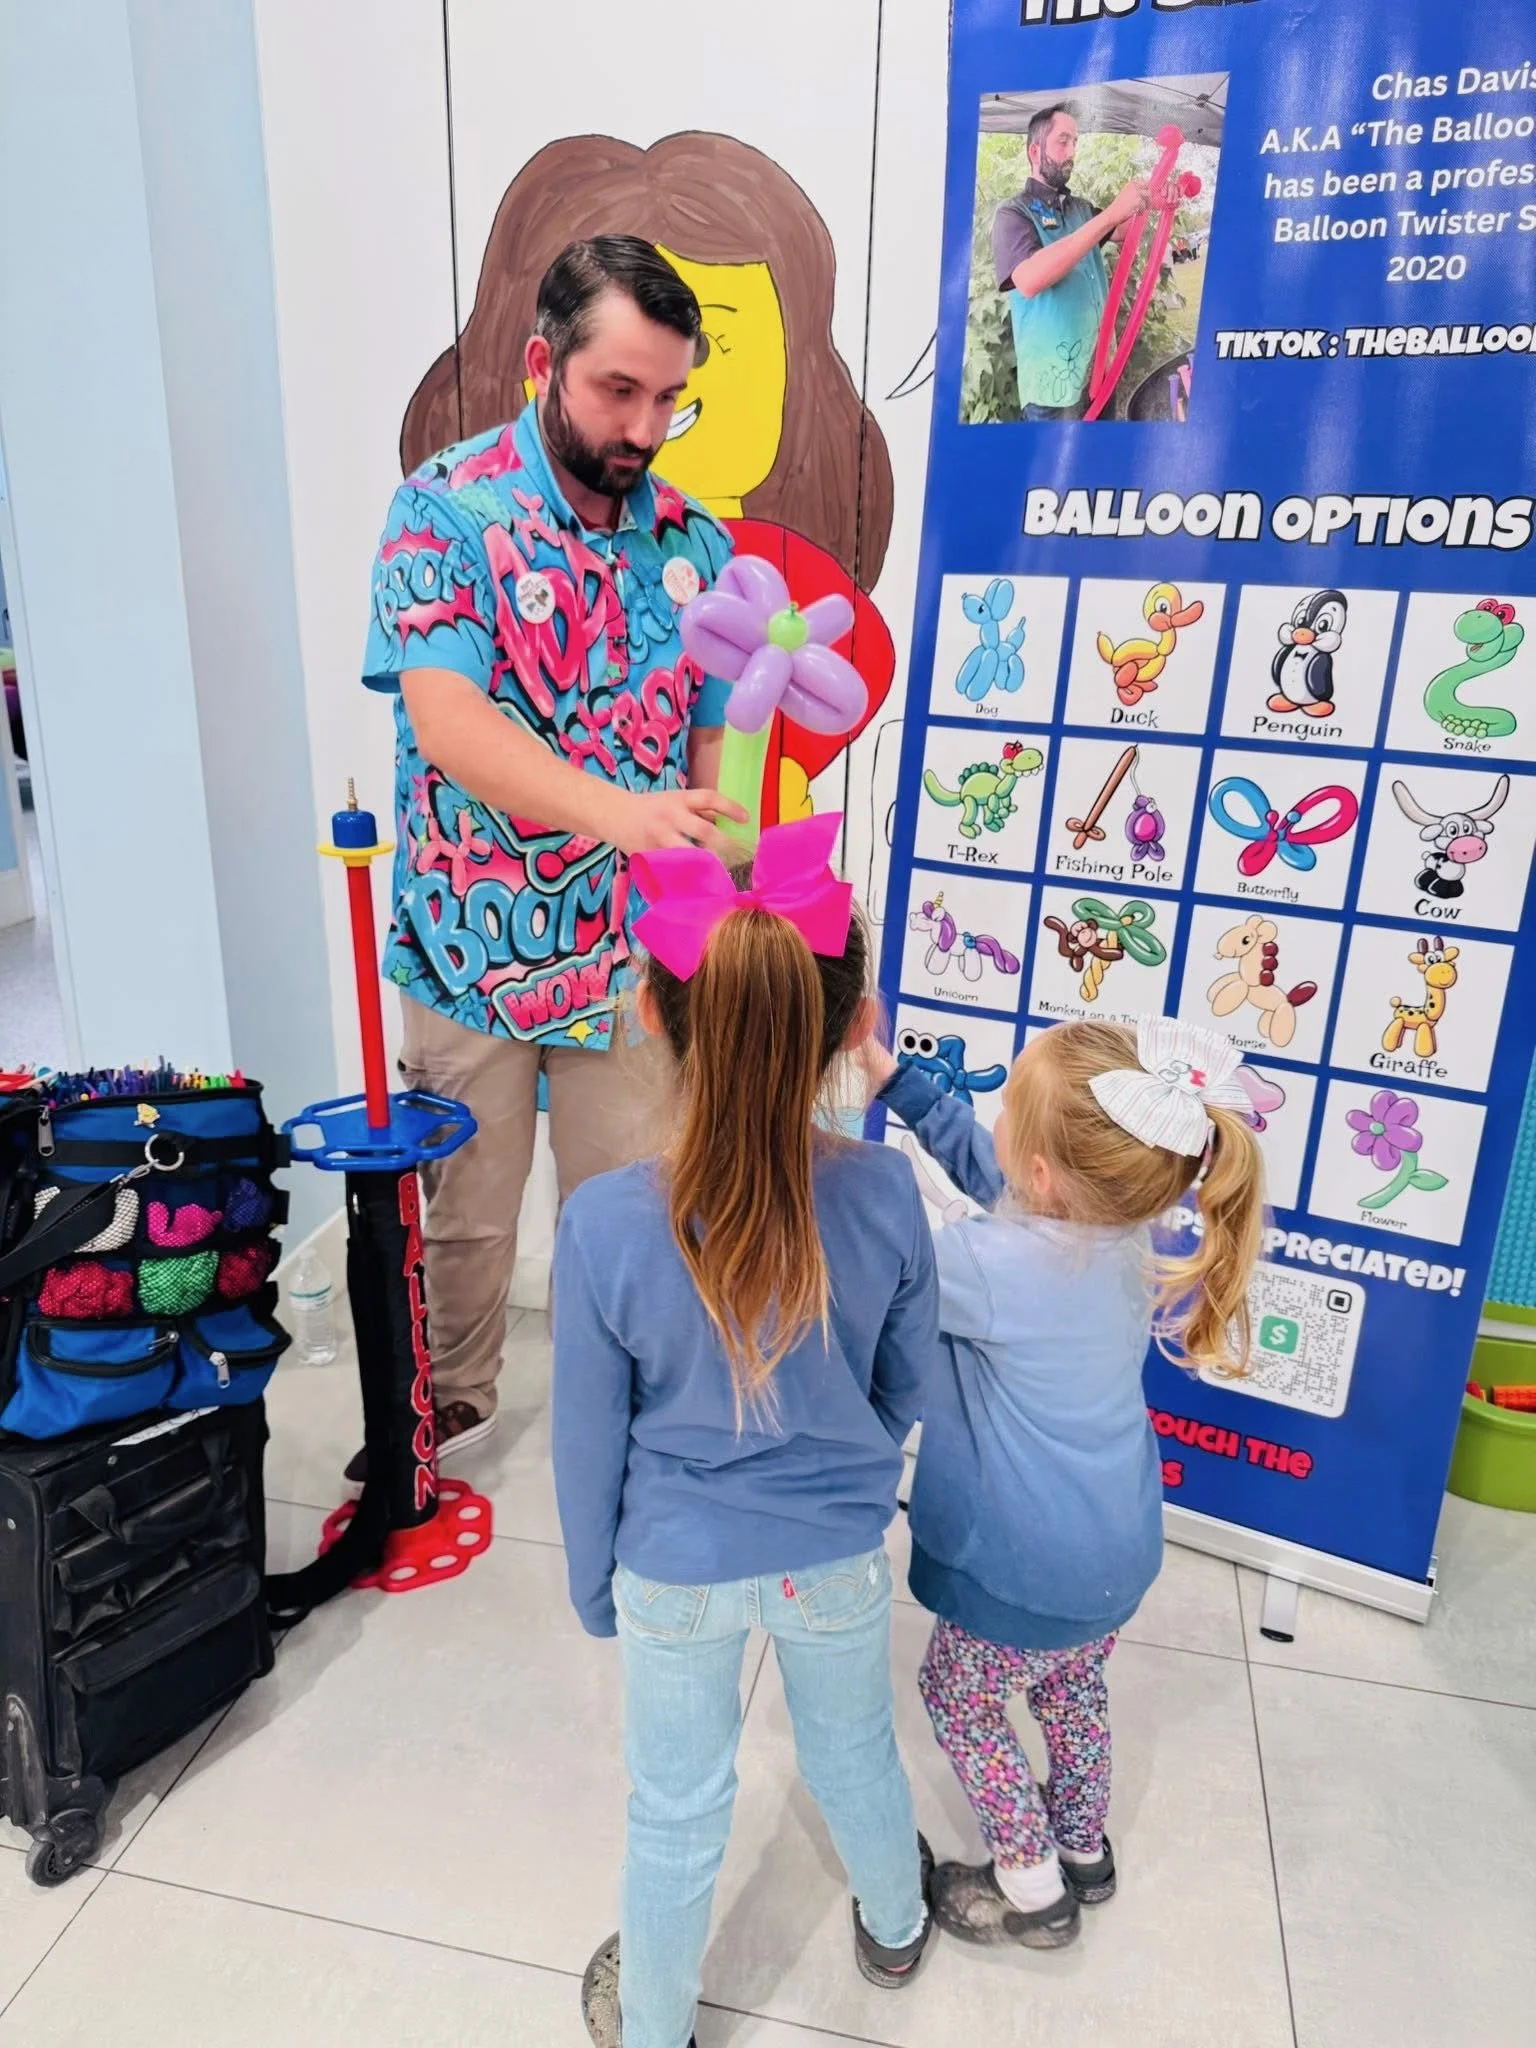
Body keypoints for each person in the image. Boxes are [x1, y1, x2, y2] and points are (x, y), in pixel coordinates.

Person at [355, 235, 748, 1481]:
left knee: (630, 1211)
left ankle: (620, 1416)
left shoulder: (699, 548)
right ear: (543, 363)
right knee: (466, 1211)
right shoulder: (445, 510)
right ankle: (449, 1404)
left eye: (669, 397)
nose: (645, 424)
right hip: (466, 944)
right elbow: (450, 721)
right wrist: (620, 813)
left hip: (629, 958)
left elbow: (715, 749)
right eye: (617, 390)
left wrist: (721, 871)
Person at [551, 815, 937, 2048]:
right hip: (835, 1551)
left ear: (655, 1018)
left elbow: (584, 1442)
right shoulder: (884, 1193)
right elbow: (901, 1383)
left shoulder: (607, 1223)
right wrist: (849, 1469)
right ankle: (894, 1920)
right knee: (856, 1751)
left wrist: (591, 1581)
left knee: (674, 1808)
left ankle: (655, 2024)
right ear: (850, 1024)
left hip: (670, 1565)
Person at [867, 1014, 1264, 1948]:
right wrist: (889, 1076)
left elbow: (881, 1257)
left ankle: (1032, 1885)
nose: (989, 1116)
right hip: (1115, 1555)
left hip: (1023, 1566)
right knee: (1071, 1691)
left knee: (961, 1700)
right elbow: (994, 1172)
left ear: (1041, 1173)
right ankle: (1086, 1846)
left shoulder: (989, 1266)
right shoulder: (1121, 1233)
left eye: (1002, 1107)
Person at [993, 103, 1149, 420]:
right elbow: (1030, 278)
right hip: (1053, 397)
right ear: (1035, 152)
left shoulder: (1078, 208)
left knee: (1099, 465)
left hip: (1101, 373)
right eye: (1063, 141)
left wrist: (1151, 199)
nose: (1072, 151)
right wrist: (1109, 215)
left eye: (1075, 142)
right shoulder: (1013, 214)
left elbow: (1120, 229)